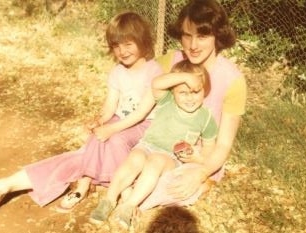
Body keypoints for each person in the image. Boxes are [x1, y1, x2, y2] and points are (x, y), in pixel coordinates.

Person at [0, 11, 163, 220]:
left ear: (142, 41)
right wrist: (99, 121)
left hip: (142, 127)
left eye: (128, 44)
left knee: (104, 143)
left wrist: (110, 129)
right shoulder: (117, 72)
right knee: (95, 139)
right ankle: (6, 186)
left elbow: (141, 113)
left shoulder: (153, 71)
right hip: (119, 122)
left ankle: (88, 182)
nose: (122, 51)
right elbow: (110, 107)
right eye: (116, 46)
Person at [137, 0, 247, 212]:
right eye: (187, 35)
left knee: (168, 188)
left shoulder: (233, 80)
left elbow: (223, 145)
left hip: (199, 156)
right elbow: (141, 96)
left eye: (202, 36)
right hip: (159, 142)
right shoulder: (171, 61)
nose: (193, 45)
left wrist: (202, 172)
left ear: (218, 36)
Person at [89, 60, 218, 228]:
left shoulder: (206, 118)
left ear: (205, 90)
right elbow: (156, 83)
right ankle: (109, 199)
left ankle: (129, 206)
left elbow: (209, 148)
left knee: (155, 161)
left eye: (195, 91)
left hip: (169, 158)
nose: (189, 98)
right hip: (147, 145)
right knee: (134, 158)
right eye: (183, 92)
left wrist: (197, 158)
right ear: (173, 91)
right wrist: (186, 77)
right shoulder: (167, 101)